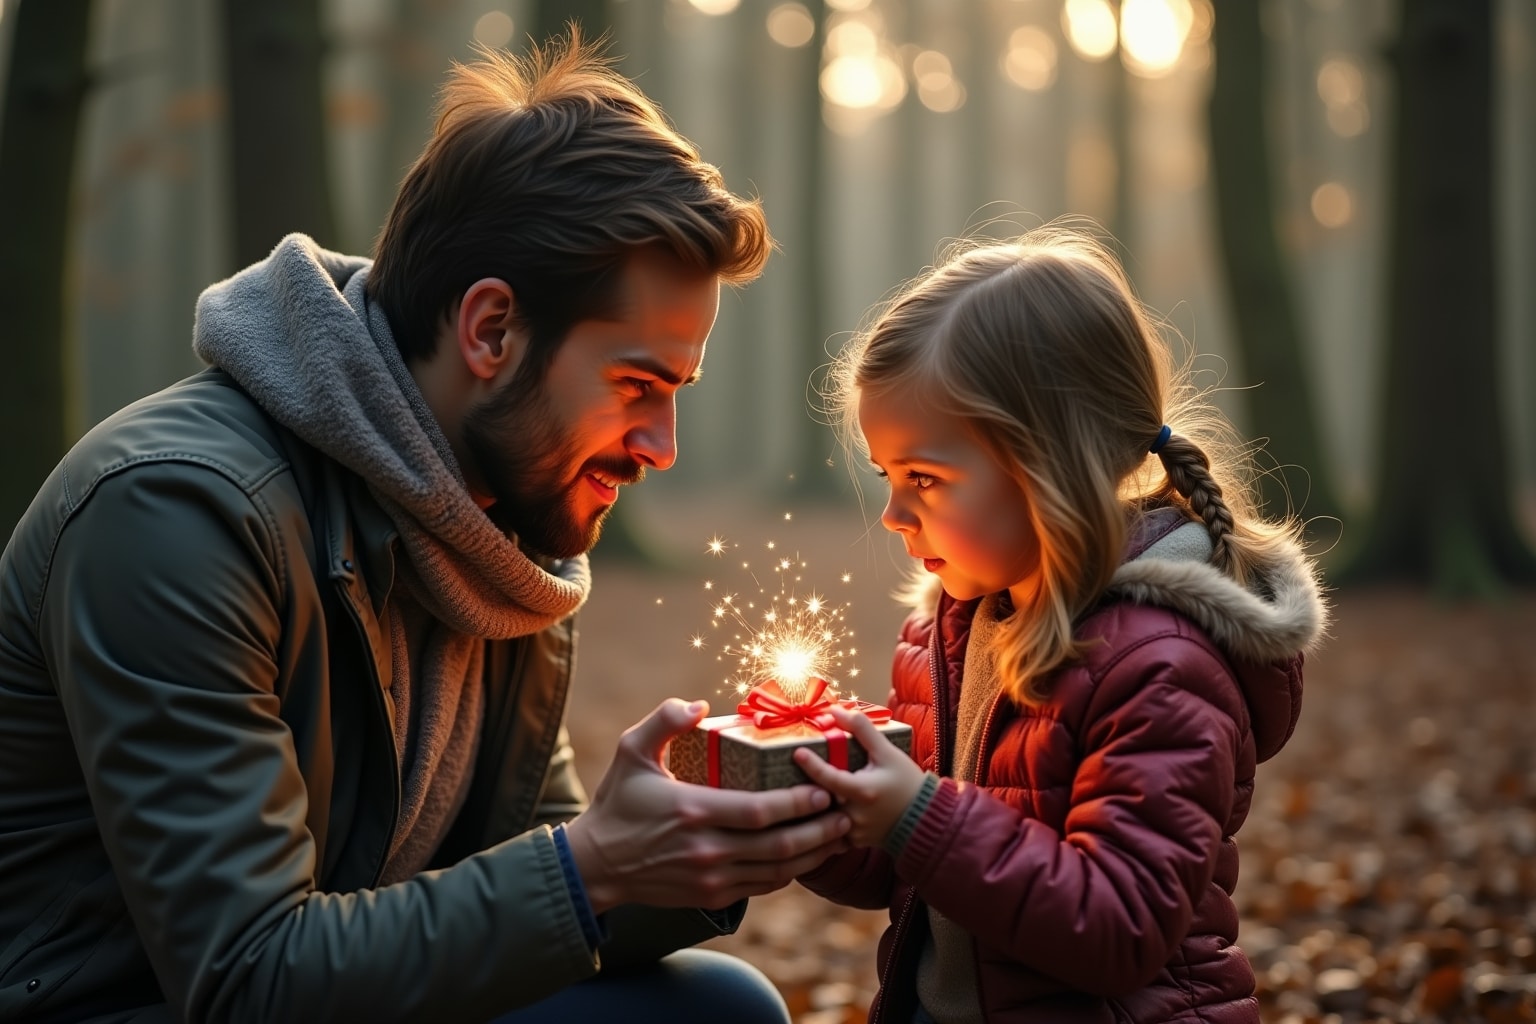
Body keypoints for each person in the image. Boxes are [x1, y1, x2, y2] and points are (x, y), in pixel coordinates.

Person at [0, 34, 851, 1024]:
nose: (661, 445)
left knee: (712, 1008)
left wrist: (707, 843)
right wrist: (593, 863)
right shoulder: (178, 514)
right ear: (490, 330)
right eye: (636, 386)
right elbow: (246, 979)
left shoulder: (499, 541)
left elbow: (518, 888)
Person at [791, 223, 1328, 1023]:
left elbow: (1119, 929)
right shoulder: (951, 630)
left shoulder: (1158, 663)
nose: (894, 514)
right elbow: (919, 873)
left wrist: (915, 812)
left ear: (1048, 469)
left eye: (925, 478)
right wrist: (822, 811)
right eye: (886, 476)